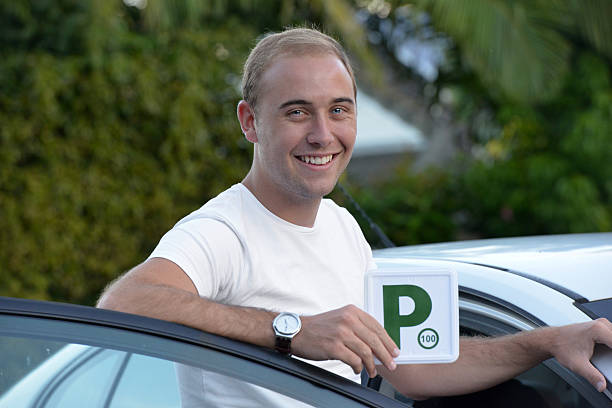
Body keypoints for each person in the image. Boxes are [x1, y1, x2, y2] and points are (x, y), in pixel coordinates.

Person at [97, 27, 612, 404]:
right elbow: (121, 305)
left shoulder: (342, 228)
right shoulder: (222, 231)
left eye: (339, 109)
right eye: (297, 111)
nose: (323, 134)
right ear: (250, 122)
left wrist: (549, 340)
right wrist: (290, 330)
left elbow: (413, 365)